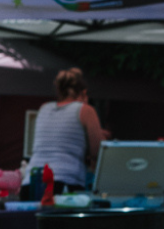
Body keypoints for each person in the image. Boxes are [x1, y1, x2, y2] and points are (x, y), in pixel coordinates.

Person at [23, 67, 106, 199]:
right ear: (84, 92)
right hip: (64, 183)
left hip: (31, 182)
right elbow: (99, 152)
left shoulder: (44, 108)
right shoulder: (86, 110)